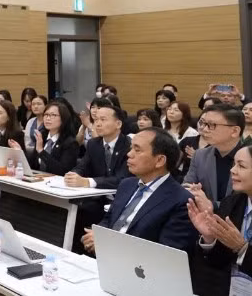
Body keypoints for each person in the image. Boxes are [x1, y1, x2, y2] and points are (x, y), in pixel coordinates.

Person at [81, 128, 197, 254]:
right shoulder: (127, 184)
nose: (129, 154)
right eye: (131, 148)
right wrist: (97, 234)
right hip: (104, 257)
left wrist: (106, 242)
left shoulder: (182, 200)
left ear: (159, 160)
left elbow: (166, 252)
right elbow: (109, 219)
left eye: (137, 150)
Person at [65, 105, 132, 253]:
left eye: (103, 119)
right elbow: (82, 166)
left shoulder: (129, 146)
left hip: (120, 200)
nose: (98, 124)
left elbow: (122, 178)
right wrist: (73, 175)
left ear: (118, 124)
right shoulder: (94, 144)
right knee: (76, 212)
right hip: (97, 198)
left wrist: (87, 181)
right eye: (95, 120)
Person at [189, 144, 252, 296]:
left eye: (241, 166)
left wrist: (243, 249)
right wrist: (210, 238)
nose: (232, 170)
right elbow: (217, 262)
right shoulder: (232, 202)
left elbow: (239, 249)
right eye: (234, 164)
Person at [185, 104, 246, 211]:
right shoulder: (200, 155)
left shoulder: (248, 158)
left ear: (234, 131)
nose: (203, 129)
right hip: (203, 220)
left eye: (211, 125)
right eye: (202, 123)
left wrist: (212, 204)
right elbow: (187, 187)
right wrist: (194, 192)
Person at [27, 101, 79, 175]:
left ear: (63, 118)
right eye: (46, 115)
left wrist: (41, 151)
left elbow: (62, 171)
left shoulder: (70, 143)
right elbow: (32, 166)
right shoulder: (42, 137)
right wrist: (19, 152)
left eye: (53, 115)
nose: (48, 118)